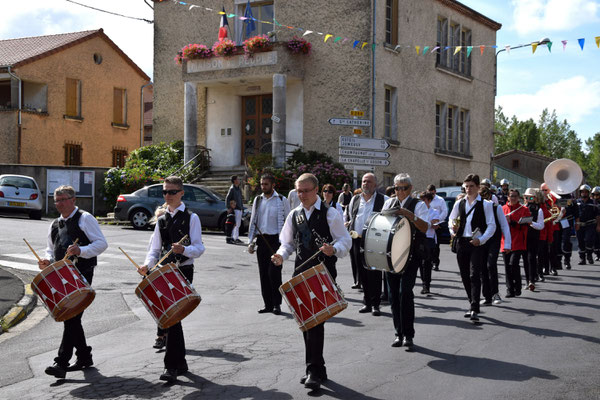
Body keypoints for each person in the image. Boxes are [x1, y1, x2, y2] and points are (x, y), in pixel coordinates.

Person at [271, 173, 351, 391]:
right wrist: (280, 255)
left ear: (316, 190)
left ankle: (313, 371)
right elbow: (286, 243)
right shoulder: (294, 214)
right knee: (307, 322)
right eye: (299, 191)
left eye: (306, 190)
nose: (302, 195)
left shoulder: (331, 213)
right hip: (301, 272)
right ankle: (317, 367)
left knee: (315, 322)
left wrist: (334, 249)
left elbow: (346, 240)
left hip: (323, 272)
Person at [138, 176, 205, 383]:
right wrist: (146, 266)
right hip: (164, 272)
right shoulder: (162, 219)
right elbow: (155, 250)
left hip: (183, 271)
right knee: (172, 319)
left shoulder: (192, 218)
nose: (167, 196)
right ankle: (180, 363)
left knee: (172, 318)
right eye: (165, 192)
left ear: (181, 193)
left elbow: (199, 248)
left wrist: (184, 249)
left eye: (172, 192)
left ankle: (171, 366)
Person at [39, 185, 108, 379]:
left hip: (83, 273)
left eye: (62, 199)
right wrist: (47, 261)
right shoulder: (55, 224)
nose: (59, 204)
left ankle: (60, 362)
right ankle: (84, 356)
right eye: (56, 200)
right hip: (61, 276)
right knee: (72, 317)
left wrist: (82, 251)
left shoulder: (85, 219)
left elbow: (101, 244)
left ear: (73, 200)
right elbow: (50, 249)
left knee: (71, 316)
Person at [382, 174, 428, 350]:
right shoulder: (388, 203)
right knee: (393, 295)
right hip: (390, 254)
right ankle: (398, 333)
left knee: (405, 293)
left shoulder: (419, 205)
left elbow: (426, 227)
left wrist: (411, 216)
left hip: (411, 254)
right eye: (397, 188)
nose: (400, 191)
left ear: (410, 188)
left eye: (403, 188)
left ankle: (409, 335)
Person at [449, 174, 496, 321]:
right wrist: (452, 229)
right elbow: (451, 219)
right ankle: (472, 302)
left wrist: (481, 240)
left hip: (476, 243)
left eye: (471, 186)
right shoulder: (459, 203)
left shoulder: (486, 204)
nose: (468, 189)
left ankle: (475, 307)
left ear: (477, 187)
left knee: (474, 274)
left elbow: (491, 226)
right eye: (466, 186)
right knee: (464, 275)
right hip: (462, 242)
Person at [345, 173, 388, 315]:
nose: (365, 184)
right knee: (362, 272)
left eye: (369, 182)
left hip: (375, 241)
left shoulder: (384, 200)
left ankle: (376, 304)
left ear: (375, 184)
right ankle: (367, 302)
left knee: (375, 273)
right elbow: (351, 217)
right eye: (364, 181)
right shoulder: (355, 199)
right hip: (357, 240)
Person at [247, 174, 290, 315]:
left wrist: (287, 242)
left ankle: (277, 304)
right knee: (264, 274)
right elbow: (254, 220)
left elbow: (288, 222)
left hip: (275, 241)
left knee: (274, 274)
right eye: (262, 184)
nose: (263, 186)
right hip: (261, 240)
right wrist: (251, 241)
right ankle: (268, 305)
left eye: (266, 184)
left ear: (273, 185)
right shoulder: (258, 200)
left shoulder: (282, 200)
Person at [479, 186, 511, 306]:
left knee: (491, 265)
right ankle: (487, 296)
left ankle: (495, 293)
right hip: (481, 240)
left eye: (485, 196)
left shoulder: (496, 208)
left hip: (494, 240)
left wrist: (507, 244)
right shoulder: (476, 208)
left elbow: (504, 226)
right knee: (482, 267)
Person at [502, 189, 531, 297]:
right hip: (505, 241)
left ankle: (517, 287)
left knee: (513, 264)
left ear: (518, 197)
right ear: (508, 197)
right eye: (511, 196)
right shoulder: (503, 209)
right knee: (507, 267)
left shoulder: (524, 209)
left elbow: (526, 224)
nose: (513, 198)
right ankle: (510, 289)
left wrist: (512, 222)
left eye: (515, 196)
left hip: (518, 241)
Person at [522, 188, 545, 290]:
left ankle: (532, 280)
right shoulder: (521, 208)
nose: (528, 199)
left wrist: (531, 223)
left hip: (533, 236)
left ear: (535, 198)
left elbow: (541, 225)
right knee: (525, 259)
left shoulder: (538, 209)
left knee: (531, 258)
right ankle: (527, 280)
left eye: (531, 197)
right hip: (523, 237)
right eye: (526, 197)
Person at [418, 191, 439, 295]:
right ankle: (423, 282)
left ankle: (426, 285)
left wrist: (426, 224)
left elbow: (435, 224)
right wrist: (428, 224)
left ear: (429, 201)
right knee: (420, 263)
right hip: (419, 238)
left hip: (429, 238)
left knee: (426, 263)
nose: (422, 202)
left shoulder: (434, 211)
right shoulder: (418, 210)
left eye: (424, 200)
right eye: (420, 199)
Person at [576, 184, 600, 265]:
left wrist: (598, 225)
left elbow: (597, 215)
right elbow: (575, 214)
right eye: (582, 192)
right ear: (580, 193)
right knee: (580, 242)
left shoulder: (594, 202)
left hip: (590, 225)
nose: (584, 193)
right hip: (580, 225)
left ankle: (589, 255)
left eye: (586, 192)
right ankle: (582, 258)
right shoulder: (577, 202)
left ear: (588, 193)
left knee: (589, 240)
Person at [427, 184, 448, 271]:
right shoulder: (425, 199)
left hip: (437, 225)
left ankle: (435, 263)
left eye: (432, 193)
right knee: (427, 244)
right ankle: (429, 262)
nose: (431, 195)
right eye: (429, 193)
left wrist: (437, 220)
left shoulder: (440, 200)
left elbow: (444, 211)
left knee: (436, 245)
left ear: (435, 192)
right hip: (427, 225)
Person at [225, 175, 245, 244]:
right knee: (235, 224)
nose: (239, 180)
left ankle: (236, 237)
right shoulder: (232, 189)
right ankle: (233, 238)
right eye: (238, 179)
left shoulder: (238, 189)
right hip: (235, 209)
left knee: (238, 224)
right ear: (234, 181)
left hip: (239, 208)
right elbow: (227, 198)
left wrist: (242, 208)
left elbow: (240, 199)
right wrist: (229, 207)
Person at [592, 186, 600, 261]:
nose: (596, 196)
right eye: (594, 195)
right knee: (595, 240)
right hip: (594, 223)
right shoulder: (592, 203)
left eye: (597, 195)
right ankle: (597, 254)